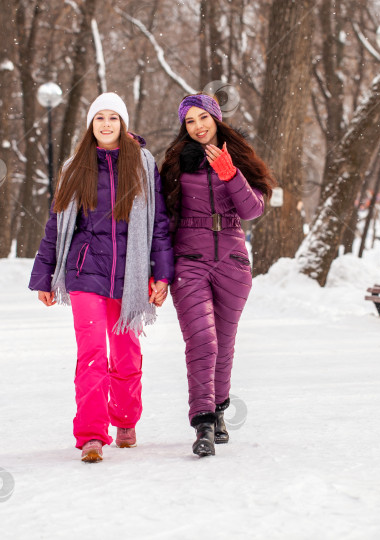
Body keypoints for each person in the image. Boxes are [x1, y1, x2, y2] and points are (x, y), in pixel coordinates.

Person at [29, 92, 174, 463]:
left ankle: (125, 419)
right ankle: (92, 433)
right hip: (85, 271)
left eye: (113, 118)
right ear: (91, 125)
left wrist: (162, 273)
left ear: (122, 123)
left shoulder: (142, 164)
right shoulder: (75, 167)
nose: (106, 124)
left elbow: (158, 223)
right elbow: (55, 225)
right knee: (91, 353)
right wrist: (45, 276)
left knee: (126, 352)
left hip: (131, 270)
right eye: (99, 118)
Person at [160, 94, 275, 457]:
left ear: (215, 118)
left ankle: (220, 409)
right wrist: (160, 270)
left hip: (232, 262)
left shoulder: (238, 156)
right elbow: (162, 218)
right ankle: (204, 423)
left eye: (202, 118)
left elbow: (253, 209)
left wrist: (230, 172)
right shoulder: (176, 163)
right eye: (190, 121)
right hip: (189, 261)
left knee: (224, 345)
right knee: (203, 340)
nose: (197, 126)